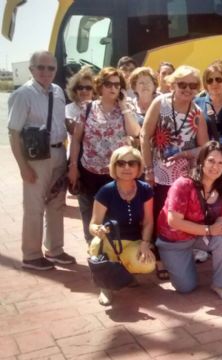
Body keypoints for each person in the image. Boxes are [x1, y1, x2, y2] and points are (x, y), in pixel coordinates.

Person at [155, 141, 222, 299]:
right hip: (175, 240)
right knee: (186, 287)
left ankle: (219, 284)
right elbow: (174, 221)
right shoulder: (183, 185)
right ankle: (182, 263)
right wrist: (209, 230)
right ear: (201, 161)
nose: (215, 166)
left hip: (199, 236)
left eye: (220, 163)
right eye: (211, 161)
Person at [8, 50, 76, 270]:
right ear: (31, 69)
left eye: (51, 68)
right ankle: (31, 255)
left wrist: (70, 125)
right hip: (36, 158)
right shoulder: (23, 94)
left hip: (58, 153)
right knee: (34, 207)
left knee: (56, 205)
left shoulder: (57, 91)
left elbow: (57, 120)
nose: (46, 72)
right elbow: (14, 133)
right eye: (41, 67)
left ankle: (54, 250)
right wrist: (23, 167)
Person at [141, 65, 209, 279]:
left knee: (179, 216)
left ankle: (179, 256)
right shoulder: (160, 104)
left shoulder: (197, 113)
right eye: (182, 84)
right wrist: (148, 169)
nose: (187, 89)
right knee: (158, 214)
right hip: (159, 173)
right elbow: (144, 136)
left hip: (184, 177)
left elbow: (204, 147)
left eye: (192, 85)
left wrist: (187, 155)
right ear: (173, 84)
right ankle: (159, 259)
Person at [68, 67, 141, 244]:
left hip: (115, 175)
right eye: (108, 83)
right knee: (90, 216)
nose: (113, 88)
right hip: (89, 172)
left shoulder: (126, 108)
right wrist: (73, 167)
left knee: (115, 215)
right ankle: (94, 252)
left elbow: (135, 132)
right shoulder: (87, 108)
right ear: (100, 86)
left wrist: (123, 106)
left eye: (117, 84)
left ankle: (114, 251)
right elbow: (77, 140)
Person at [87, 146, 156, 306]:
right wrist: (98, 229)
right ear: (114, 166)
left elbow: (148, 221)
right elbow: (93, 224)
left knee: (148, 264)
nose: (126, 167)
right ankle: (105, 287)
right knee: (101, 251)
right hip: (109, 242)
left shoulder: (145, 189)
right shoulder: (106, 191)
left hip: (133, 241)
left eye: (132, 163)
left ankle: (125, 274)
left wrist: (145, 244)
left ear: (138, 167)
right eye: (121, 163)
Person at [65, 66, 95, 136]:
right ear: (75, 90)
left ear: (94, 91)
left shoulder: (99, 109)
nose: (84, 90)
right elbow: (73, 130)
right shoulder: (67, 109)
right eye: (80, 88)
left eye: (88, 88)